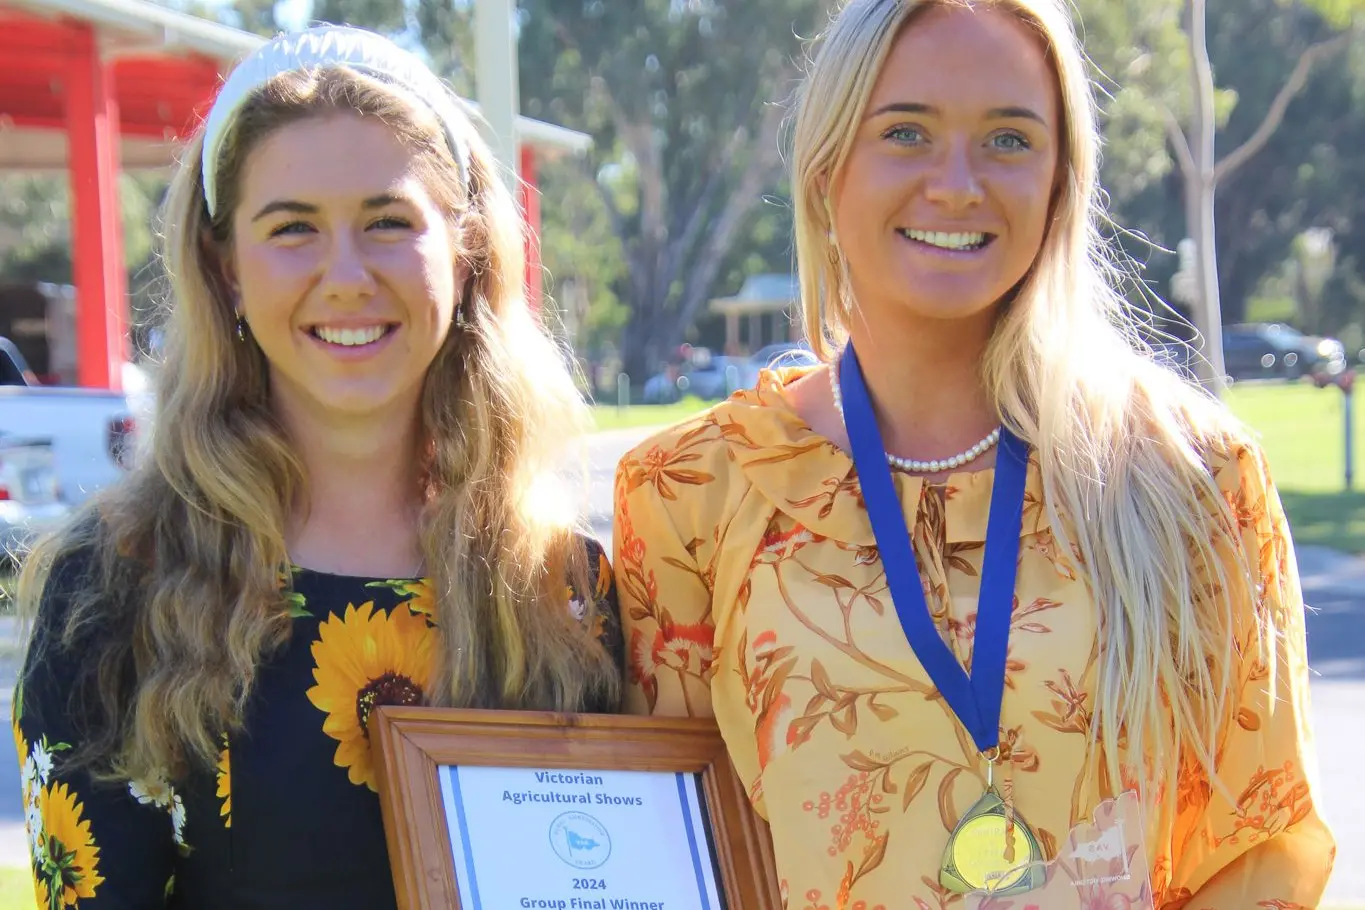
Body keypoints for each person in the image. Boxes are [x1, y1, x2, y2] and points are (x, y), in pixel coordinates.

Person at [613, 0, 1334, 906]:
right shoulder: (689, 493)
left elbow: (1259, 843)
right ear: (827, 168)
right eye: (906, 132)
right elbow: (666, 855)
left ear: (1061, 182)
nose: (956, 184)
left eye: (1007, 139)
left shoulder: (1195, 478)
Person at [13, 26, 621, 909]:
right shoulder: (115, 588)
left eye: (388, 222)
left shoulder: (566, 589)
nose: (346, 276)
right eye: (292, 228)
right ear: (225, 271)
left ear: (465, 249)